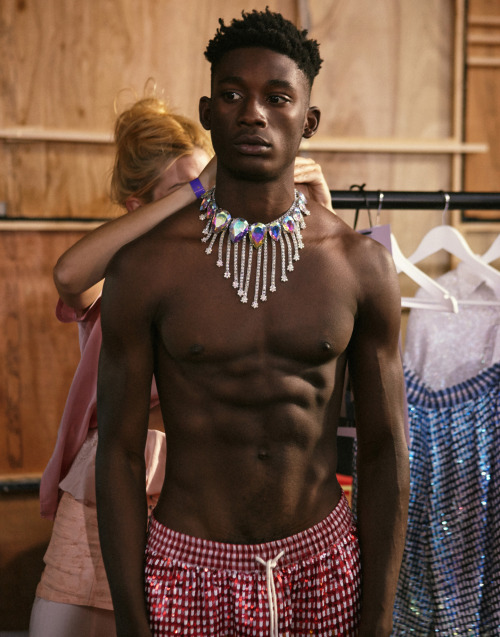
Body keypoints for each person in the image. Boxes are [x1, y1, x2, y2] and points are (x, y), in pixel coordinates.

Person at [95, 9, 409, 637]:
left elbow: (383, 453)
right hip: (187, 569)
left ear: (308, 121)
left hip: (324, 568)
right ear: (208, 113)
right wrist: (133, 621)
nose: (253, 114)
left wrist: (376, 620)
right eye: (233, 95)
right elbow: (120, 455)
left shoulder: (361, 267)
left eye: (278, 97)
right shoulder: (147, 269)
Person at [29, 95, 215, 637]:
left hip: (198, 485)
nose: (205, 202)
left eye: (207, 184)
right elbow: (70, 277)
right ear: (141, 208)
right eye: (186, 191)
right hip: (109, 479)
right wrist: (198, 191)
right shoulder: (119, 276)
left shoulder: (229, 266)